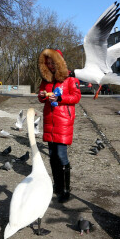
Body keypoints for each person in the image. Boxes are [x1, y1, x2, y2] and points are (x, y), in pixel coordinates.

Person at [37, 48, 81, 203]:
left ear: (59, 62)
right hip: (49, 119)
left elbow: (76, 97)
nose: (50, 66)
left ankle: (66, 189)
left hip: (63, 121)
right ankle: (57, 184)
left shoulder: (70, 79)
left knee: (61, 155)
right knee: (52, 155)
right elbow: (41, 96)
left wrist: (60, 97)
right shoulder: (46, 80)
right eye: (48, 63)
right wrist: (42, 96)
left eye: (53, 62)